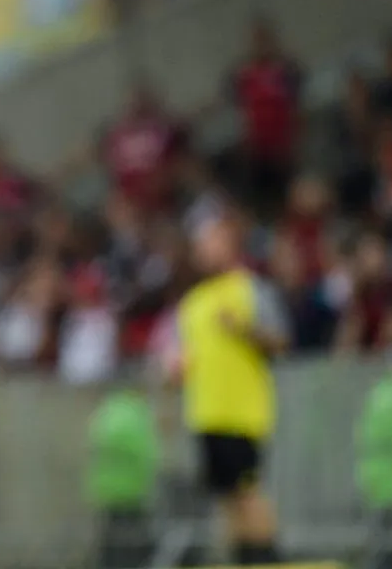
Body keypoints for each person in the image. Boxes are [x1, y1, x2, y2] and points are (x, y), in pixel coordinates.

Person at [171, 216, 288, 565]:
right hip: (205, 413)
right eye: (202, 245)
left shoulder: (252, 289)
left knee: (247, 492)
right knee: (225, 497)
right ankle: (244, 560)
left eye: (213, 242)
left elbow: (280, 343)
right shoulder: (193, 302)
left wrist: (244, 330)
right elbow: (192, 356)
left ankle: (268, 560)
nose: (205, 250)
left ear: (231, 245)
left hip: (243, 412)